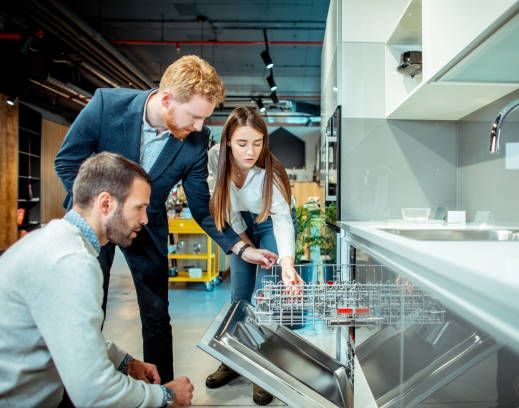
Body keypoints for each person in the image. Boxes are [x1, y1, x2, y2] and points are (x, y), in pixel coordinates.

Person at [54, 55, 276, 383]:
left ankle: (165, 394)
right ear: (168, 99)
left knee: (157, 313)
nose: (200, 127)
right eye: (195, 117)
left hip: (148, 225)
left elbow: (202, 207)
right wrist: (99, 211)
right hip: (95, 223)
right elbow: (67, 161)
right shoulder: (106, 105)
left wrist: (241, 249)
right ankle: (79, 385)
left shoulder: (195, 141)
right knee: (88, 305)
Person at [0, 152, 193, 407]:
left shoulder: (56, 239)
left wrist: (125, 362)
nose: (145, 220)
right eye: (140, 207)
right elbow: (95, 392)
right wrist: (166, 396)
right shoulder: (72, 262)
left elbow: (73, 331)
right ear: (106, 204)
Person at [205, 107, 303, 405]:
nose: (251, 151)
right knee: (240, 296)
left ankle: (263, 368)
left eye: (258, 143)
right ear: (228, 142)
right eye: (243, 143)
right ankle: (234, 363)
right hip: (240, 222)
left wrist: (286, 263)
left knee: (266, 296)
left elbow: (283, 219)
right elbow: (223, 206)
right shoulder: (214, 158)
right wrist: (245, 246)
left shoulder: (269, 172)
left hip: (271, 221)